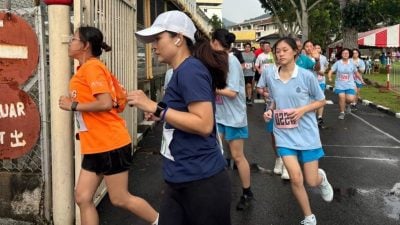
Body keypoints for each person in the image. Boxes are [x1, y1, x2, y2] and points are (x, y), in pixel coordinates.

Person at [129, 11, 231, 225]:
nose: (153, 46)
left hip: (201, 180)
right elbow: (185, 113)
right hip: (181, 177)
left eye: (158, 39)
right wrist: (161, 114)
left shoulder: (190, 70)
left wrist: (156, 109)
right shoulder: (181, 70)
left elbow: (204, 124)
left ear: (178, 38)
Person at [58, 26, 159, 225]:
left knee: (120, 198)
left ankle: (160, 221)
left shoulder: (92, 68)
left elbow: (105, 103)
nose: (70, 42)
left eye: (74, 39)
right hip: (96, 144)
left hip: (110, 143)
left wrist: (73, 105)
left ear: (85, 46)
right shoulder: (85, 68)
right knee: (82, 197)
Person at [263, 37, 334, 225]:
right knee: (295, 178)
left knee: (311, 181)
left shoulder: (306, 76)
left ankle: (322, 178)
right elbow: (275, 100)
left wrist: (302, 110)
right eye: (277, 51)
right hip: (283, 133)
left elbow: (321, 101)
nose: (280, 53)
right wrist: (270, 110)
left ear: (295, 51)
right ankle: (309, 217)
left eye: (285, 50)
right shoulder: (271, 76)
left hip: (307, 133)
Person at [210, 28, 254, 211]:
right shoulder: (216, 61)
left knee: (237, 156)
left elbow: (233, 92)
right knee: (215, 153)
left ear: (215, 42)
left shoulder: (233, 61)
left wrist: (212, 88)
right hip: (219, 116)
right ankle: (217, 192)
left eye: (211, 43)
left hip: (234, 118)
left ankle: (247, 192)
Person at [328, 48, 364, 120]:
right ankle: (342, 112)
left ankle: (348, 105)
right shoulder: (338, 63)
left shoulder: (352, 64)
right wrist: (329, 77)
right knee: (342, 97)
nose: (345, 54)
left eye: (347, 53)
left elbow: (356, 72)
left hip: (350, 84)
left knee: (350, 99)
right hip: (340, 84)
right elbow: (331, 71)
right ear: (341, 54)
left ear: (349, 55)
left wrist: (361, 80)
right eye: (344, 53)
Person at [314, 44, 329, 127]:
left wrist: (324, 70)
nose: (317, 49)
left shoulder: (323, 58)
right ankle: (312, 117)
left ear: (320, 49)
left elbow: (326, 65)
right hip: (312, 81)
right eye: (315, 48)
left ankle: (320, 117)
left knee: (321, 98)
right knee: (313, 100)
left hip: (321, 81)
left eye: (318, 48)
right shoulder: (311, 58)